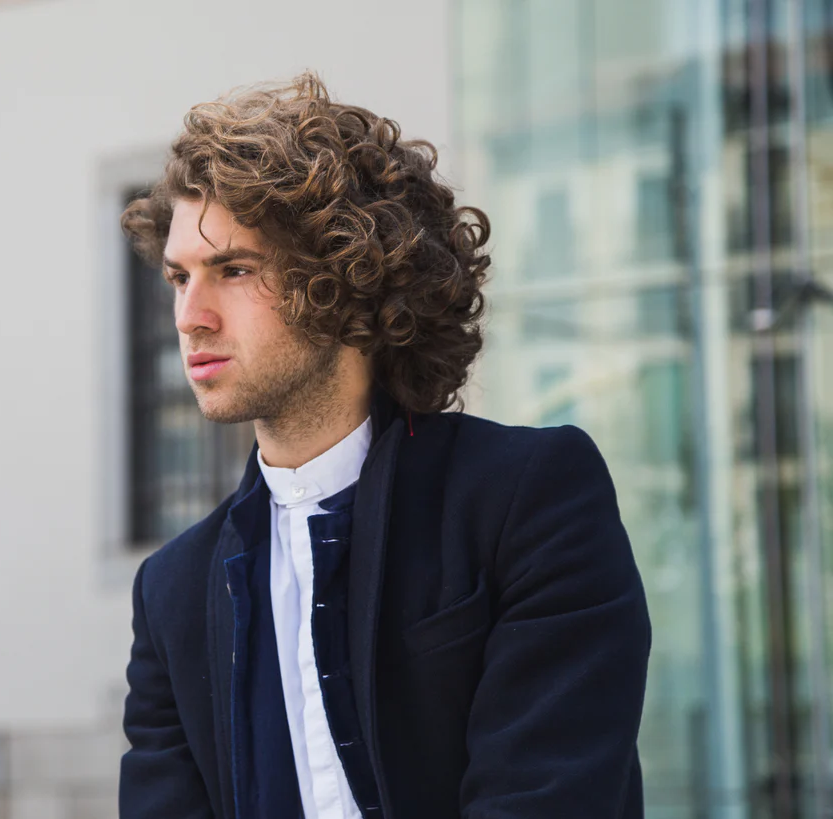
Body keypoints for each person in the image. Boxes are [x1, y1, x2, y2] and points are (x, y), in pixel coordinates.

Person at [118, 71, 651, 819]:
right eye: (179, 277)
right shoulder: (173, 590)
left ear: (345, 283)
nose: (190, 316)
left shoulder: (529, 500)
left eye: (233, 269)